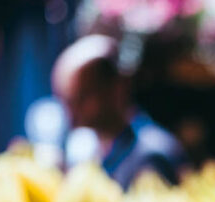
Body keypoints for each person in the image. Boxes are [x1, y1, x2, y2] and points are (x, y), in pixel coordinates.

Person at [51, 34, 187, 188]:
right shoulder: (83, 149)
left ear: (118, 88)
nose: (71, 110)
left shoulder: (153, 156)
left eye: (82, 97)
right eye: (66, 101)